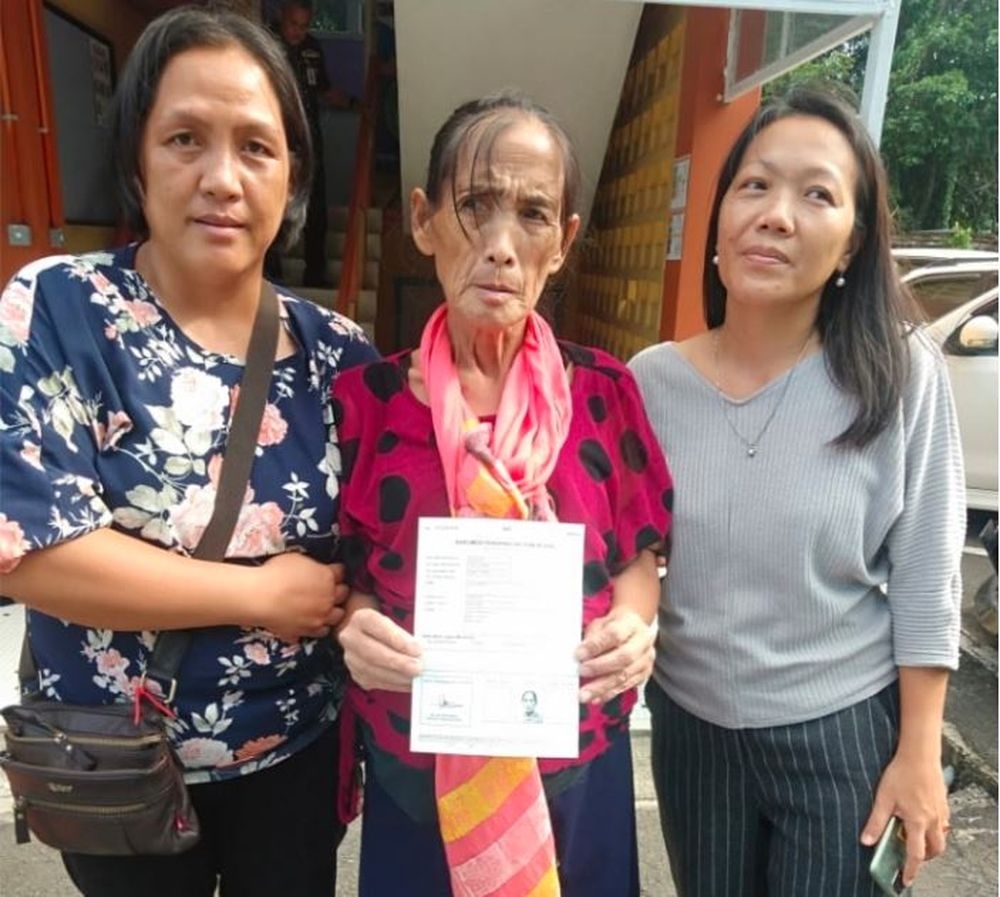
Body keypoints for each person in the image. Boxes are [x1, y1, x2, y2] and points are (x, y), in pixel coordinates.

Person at [0, 7, 378, 896]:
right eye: (184, 139)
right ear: (137, 157)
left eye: (257, 147)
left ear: (293, 175)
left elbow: (381, 544)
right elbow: (31, 549)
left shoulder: (341, 356)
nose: (222, 178)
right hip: (114, 760)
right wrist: (256, 594)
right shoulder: (59, 307)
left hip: (294, 756)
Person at [331, 91, 673, 897]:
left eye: (533, 214)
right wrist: (356, 629)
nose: (501, 246)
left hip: (576, 758)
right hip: (418, 761)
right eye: (475, 206)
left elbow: (639, 552)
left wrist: (635, 622)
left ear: (565, 242)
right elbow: (346, 574)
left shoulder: (604, 392)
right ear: (424, 221)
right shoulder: (365, 404)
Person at [630, 87, 965, 897]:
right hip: (691, 733)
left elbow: (927, 575)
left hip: (840, 736)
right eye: (755, 185)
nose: (776, 215)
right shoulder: (650, 382)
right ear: (720, 217)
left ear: (852, 243)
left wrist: (919, 754)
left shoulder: (898, 374)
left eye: (817, 194)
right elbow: (622, 554)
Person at [268, 0, 353, 287]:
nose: (298, 31)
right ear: (282, 16)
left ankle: (315, 272)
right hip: (277, 140)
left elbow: (323, 89)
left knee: (315, 208)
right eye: (293, 24)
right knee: (274, 205)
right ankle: (271, 273)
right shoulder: (265, 43)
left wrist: (350, 101)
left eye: (304, 26)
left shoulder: (313, 48)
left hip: (309, 141)